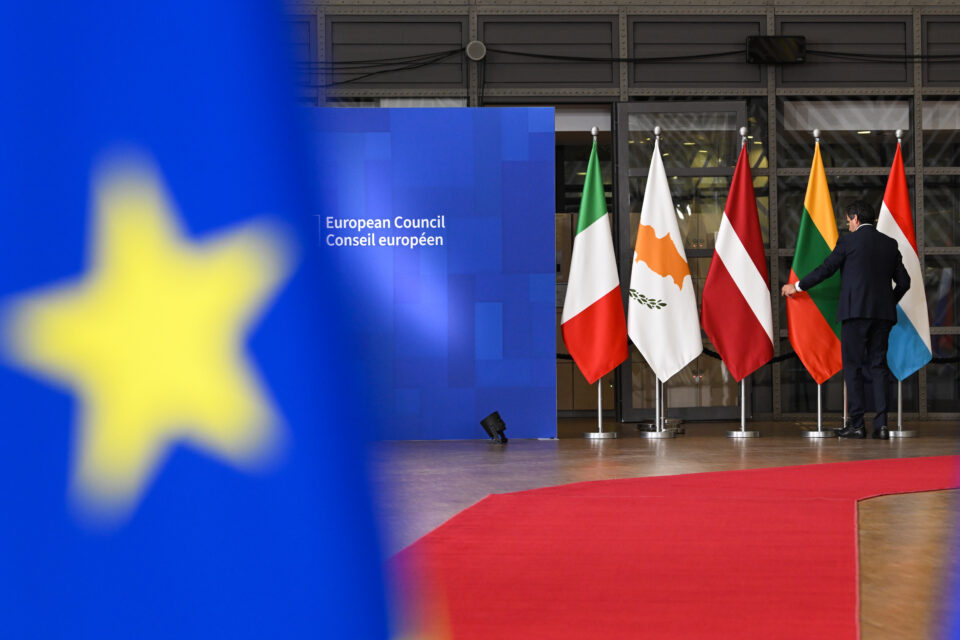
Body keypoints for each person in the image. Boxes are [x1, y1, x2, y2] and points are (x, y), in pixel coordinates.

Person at [781, 200, 910, 440]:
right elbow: (905, 282)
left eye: (849, 220)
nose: (848, 225)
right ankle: (882, 426)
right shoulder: (889, 244)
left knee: (853, 367)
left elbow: (826, 269)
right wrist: (887, 303)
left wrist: (796, 286)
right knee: (879, 367)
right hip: (882, 317)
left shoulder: (848, 242)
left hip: (855, 314)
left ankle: (857, 425)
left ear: (856, 219)